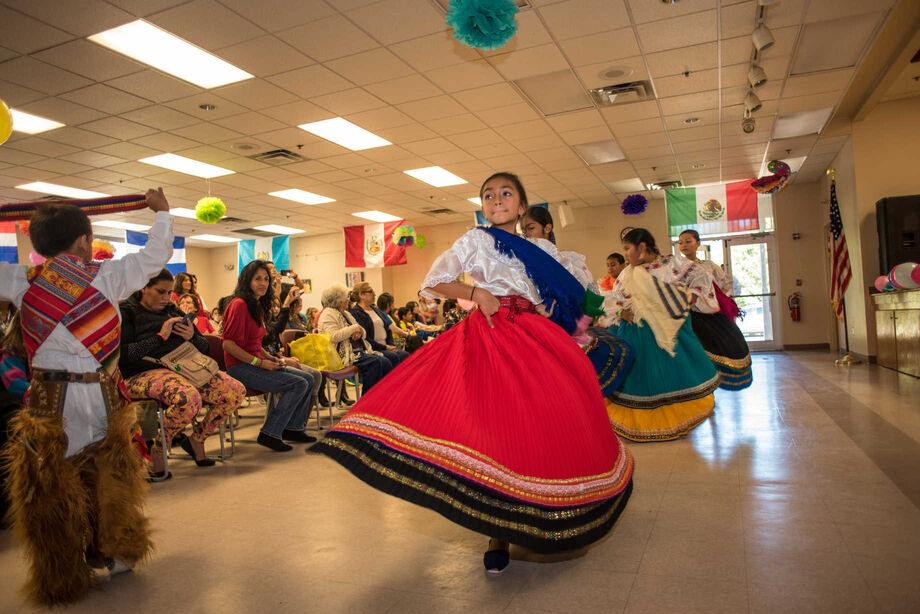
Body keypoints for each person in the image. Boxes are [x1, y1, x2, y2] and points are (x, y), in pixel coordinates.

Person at [312, 172, 633, 574]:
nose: (496, 200)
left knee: (538, 424)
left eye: (506, 193)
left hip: (535, 338)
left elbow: (572, 294)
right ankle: (496, 533)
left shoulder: (541, 249)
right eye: (488, 195)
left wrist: (570, 315)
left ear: (520, 205)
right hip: (491, 337)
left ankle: (538, 512)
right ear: (482, 205)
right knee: (495, 430)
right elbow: (436, 281)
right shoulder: (476, 239)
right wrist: (476, 293)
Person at [0, 188, 172, 606]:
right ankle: (108, 550)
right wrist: (162, 212)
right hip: (97, 397)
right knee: (105, 476)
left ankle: (62, 570)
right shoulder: (108, 277)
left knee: (51, 486)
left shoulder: (21, 280)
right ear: (82, 241)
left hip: (48, 402)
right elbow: (156, 253)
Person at [601, 227, 720, 442]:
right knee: (643, 378)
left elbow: (701, 278)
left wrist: (687, 300)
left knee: (671, 375)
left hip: (668, 332)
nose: (626, 254)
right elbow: (613, 303)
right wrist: (621, 312)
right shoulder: (627, 273)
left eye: (628, 249)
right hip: (636, 334)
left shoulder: (672, 265)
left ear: (642, 247)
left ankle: (675, 420)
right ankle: (644, 423)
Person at [120, 269, 245, 472]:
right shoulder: (126, 311)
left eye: (169, 293)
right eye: (161, 292)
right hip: (140, 374)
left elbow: (204, 345)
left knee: (234, 391)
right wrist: (160, 337)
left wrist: (191, 337)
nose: (166, 297)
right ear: (143, 287)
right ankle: (159, 449)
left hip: (182, 368)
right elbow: (123, 355)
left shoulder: (171, 309)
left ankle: (197, 439)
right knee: (188, 398)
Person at [520, 205, 634, 394]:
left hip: (566, 331)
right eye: (523, 230)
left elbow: (589, 297)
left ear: (547, 228)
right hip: (536, 333)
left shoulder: (569, 260)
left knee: (570, 387)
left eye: (531, 228)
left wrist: (580, 327)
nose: (526, 234)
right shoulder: (522, 263)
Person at [221, 261, 316, 452]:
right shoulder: (238, 305)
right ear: (247, 280)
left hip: (255, 362)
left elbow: (254, 344)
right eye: (258, 279)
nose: (263, 283)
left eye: (266, 279)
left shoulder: (257, 305)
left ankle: (293, 428)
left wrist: (269, 357)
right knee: (298, 383)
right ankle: (269, 433)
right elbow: (228, 344)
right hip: (239, 367)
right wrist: (260, 362)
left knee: (308, 377)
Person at [677, 229, 752, 389]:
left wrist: (717, 298)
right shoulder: (676, 268)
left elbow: (727, 283)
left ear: (698, 243)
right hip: (689, 315)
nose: (684, 245)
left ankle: (715, 385)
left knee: (724, 346)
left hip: (712, 315)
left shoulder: (708, 266)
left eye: (688, 241)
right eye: (680, 242)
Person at [317, 285, 393, 392]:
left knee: (385, 362)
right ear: (338, 301)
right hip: (341, 355)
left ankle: (383, 397)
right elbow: (333, 336)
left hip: (356, 352)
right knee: (375, 362)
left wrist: (359, 332)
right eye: (345, 298)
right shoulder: (328, 314)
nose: (348, 300)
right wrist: (354, 329)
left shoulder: (346, 314)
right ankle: (368, 401)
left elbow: (363, 332)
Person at [348, 282, 409, 368]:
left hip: (386, 346)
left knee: (405, 355)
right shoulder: (356, 313)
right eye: (371, 291)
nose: (374, 294)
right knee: (393, 357)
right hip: (373, 349)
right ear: (362, 295)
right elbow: (365, 337)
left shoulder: (376, 310)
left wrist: (391, 345)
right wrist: (385, 347)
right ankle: (393, 381)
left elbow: (387, 329)